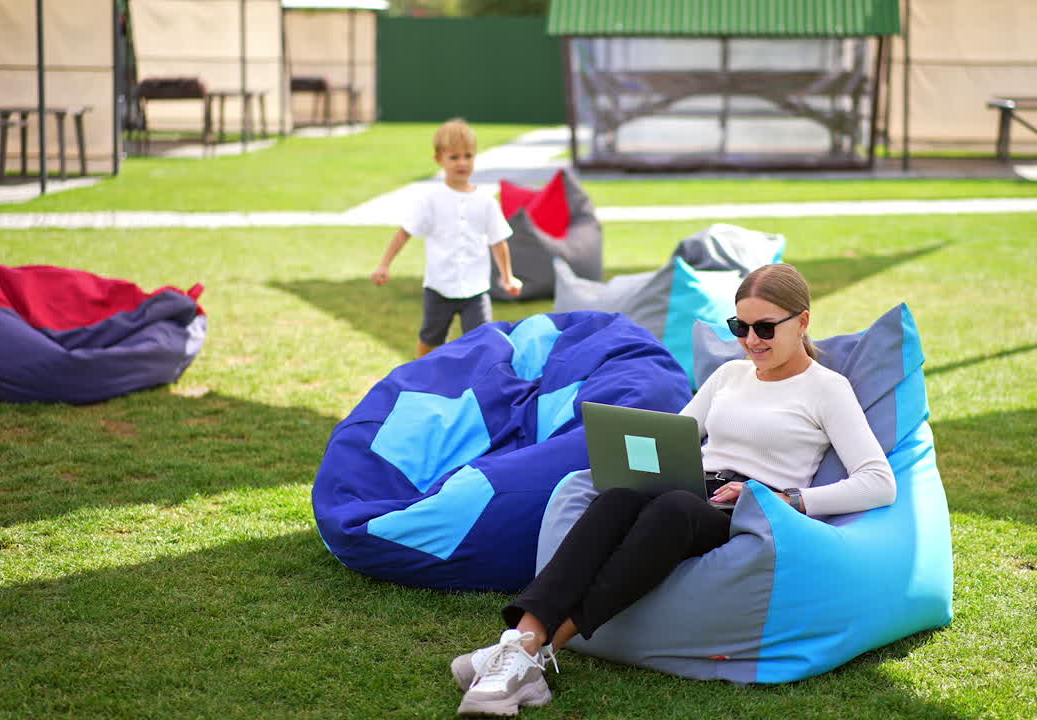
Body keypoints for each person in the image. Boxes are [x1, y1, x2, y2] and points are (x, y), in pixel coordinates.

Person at [451, 263, 897, 717]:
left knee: (674, 509)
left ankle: (539, 653)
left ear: (802, 321)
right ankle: (522, 644)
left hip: (745, 506)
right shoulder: (729, 376)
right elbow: (676, 436)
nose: (751, 341)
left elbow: (879, 483)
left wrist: (789, 499)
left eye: (765, 328)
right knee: (618, 499)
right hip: (688, 484)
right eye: (740, 327)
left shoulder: (827, 389)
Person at [371, 118, 523, 357]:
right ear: (439, 160)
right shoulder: (430, 200)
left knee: (483, 340)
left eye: (468, 155)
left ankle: (477, 382)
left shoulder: (486, 202)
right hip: (439, 287)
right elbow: (404, 233)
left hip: (475, 289)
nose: (462, 162)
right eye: (453, 157)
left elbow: (498, 241)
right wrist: (384, 265)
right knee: (431, 338)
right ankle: (419, 376)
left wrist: (508, 277)